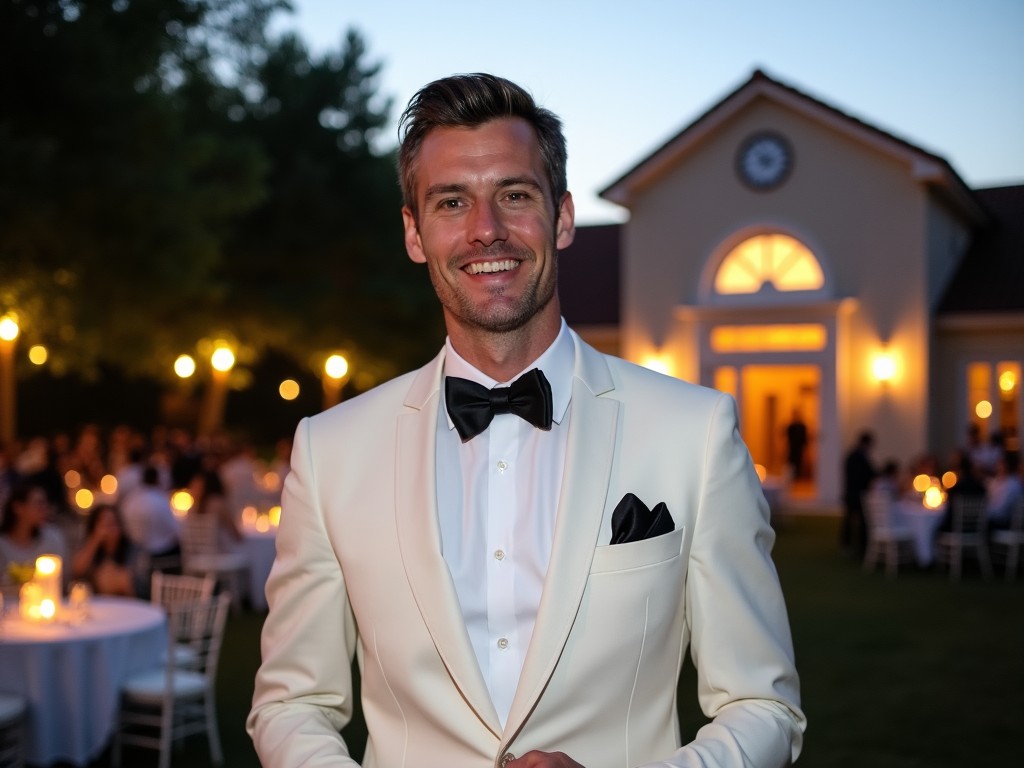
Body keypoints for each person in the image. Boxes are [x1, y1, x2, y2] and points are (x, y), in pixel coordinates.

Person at [248, 73, 804, 767]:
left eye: (514, 195)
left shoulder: (694, 434)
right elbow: (291, 703)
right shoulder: (331, 451)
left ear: (562, 217)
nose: (487, 230)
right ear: (414, 233)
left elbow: (763, 705)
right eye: (452, 202)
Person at [0, 479, 69, 588]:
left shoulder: (52, 539)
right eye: (39, 503)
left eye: (46, 503)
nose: (45, 508)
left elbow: (62, 581)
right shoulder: (2, 545)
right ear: (18, 507)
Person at [70, 503, 141, 597]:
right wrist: (96, 539)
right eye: (105, 524)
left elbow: (138, 584)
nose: (110, 528)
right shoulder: (91, 547)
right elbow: (77, 570)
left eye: (113, 523)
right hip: (97, 603)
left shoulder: (132, 549)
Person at [120, 464, 181, 572]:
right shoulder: (160, 500)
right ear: (157, 479)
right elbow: (175, 530)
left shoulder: (131, 500)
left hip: (136, 551)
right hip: (160, 555)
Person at [841, 430, 877, 556]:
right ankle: (859, 546)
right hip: (856, 494)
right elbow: (868, 473)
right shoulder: (859, 456)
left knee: (850, 520)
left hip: (851, 492)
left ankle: (849, 545)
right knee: (858, 520)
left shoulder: (853, 454)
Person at [784, 407, 809, 481]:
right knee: (792, 463)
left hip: (799, 448)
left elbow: (804, 438)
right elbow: (787, 438)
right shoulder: (791, 426)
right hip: (792, 448)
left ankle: (798, 477)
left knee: (799, 462)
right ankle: (792, 478)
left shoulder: (802, 426)